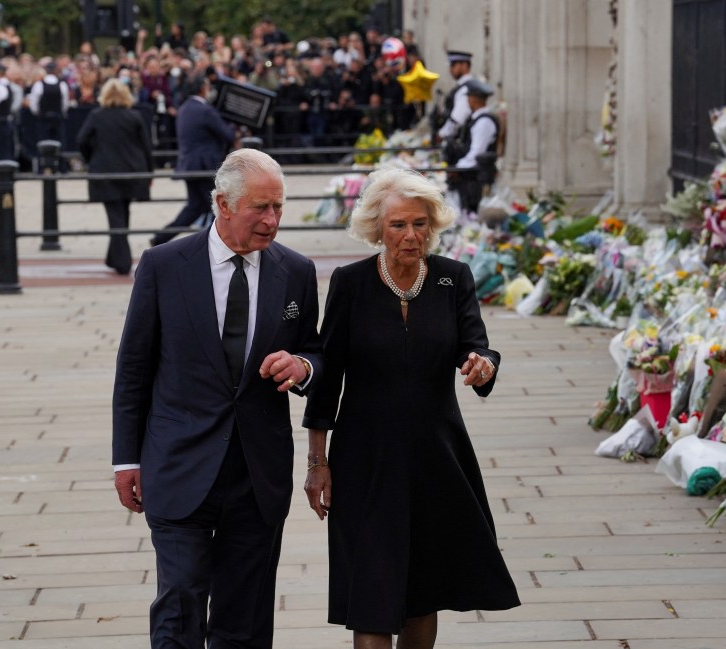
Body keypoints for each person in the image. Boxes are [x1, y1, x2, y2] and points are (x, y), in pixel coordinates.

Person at [113, 147, 324, 648]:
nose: (272, 221)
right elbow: (134, 368)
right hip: (178, 463)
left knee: (244, 619)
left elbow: (316, 349)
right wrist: (126, 460)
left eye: (279, 207)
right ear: (222, 204)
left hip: (257, 474)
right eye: (260, 207)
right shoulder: (164, 265)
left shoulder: (296, 270)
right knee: (180, 601)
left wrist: (303, 367)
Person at [302, 168, 520, 649]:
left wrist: (483, 365)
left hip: (436, 457)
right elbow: (327, 378)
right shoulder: (351, 283)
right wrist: (318, 463)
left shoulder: (452, 278)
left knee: (424, 591)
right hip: (365, 460)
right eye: (399, 224)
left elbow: (477, 348)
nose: (410, 235)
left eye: (420, 223)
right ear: (377, 227)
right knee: (372, 596)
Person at [75, 78, 153, 275]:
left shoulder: (96, 116)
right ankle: (115, 258)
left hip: (105, 171)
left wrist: (91, 157)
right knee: (122, 213)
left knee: (115, 216)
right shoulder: (134, 116)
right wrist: (149, 172)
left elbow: (81, 140)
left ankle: (122, 261)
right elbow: (146, 146)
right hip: (131, 170)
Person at [151, 73, 235, 246]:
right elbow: (227, 134)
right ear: (202, 88)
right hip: (205, 167)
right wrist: (235, 126)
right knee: (217, 208)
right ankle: (214, 246)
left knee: (195, 207)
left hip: (190, 166)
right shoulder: (204, 110)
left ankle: (161, 237)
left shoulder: (184, 108)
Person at [445, 79, 500, 215]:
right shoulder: (476, 119)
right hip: (471, 178)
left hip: (476, 179)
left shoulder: (484, 122)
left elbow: (476, 154)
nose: (468, 101)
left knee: (471, 214)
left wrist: (456, 168)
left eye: (469, 97)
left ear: (474, 99)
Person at [435, 50, 473, 142]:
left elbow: (457, 120)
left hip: (461, 141)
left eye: (453, 65)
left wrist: (441, 134)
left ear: (464, 65)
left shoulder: (465, 89)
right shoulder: (462, 87)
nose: (450, 69)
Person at [27, 60, 69, 144]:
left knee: (43, 143)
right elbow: (65, 104)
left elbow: (34, 104)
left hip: (43, 119)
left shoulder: (39, 85)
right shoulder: (62, 85)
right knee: (58, 143)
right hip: (57, 118)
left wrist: (39, 113)